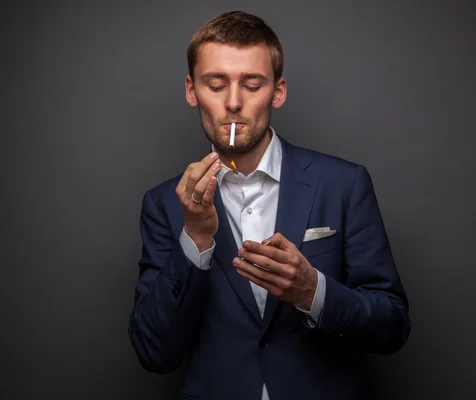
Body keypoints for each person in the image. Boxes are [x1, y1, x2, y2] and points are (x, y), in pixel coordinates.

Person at [128, 10, 411, 400]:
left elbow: (393, 326)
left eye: (252, 84)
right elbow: (154, 352)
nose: (233, 103)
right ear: (192, 91)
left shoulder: (343, 184)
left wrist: (313, 291)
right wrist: (194, 238)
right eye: (216, 84)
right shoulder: (164, 203)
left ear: (277, 91)